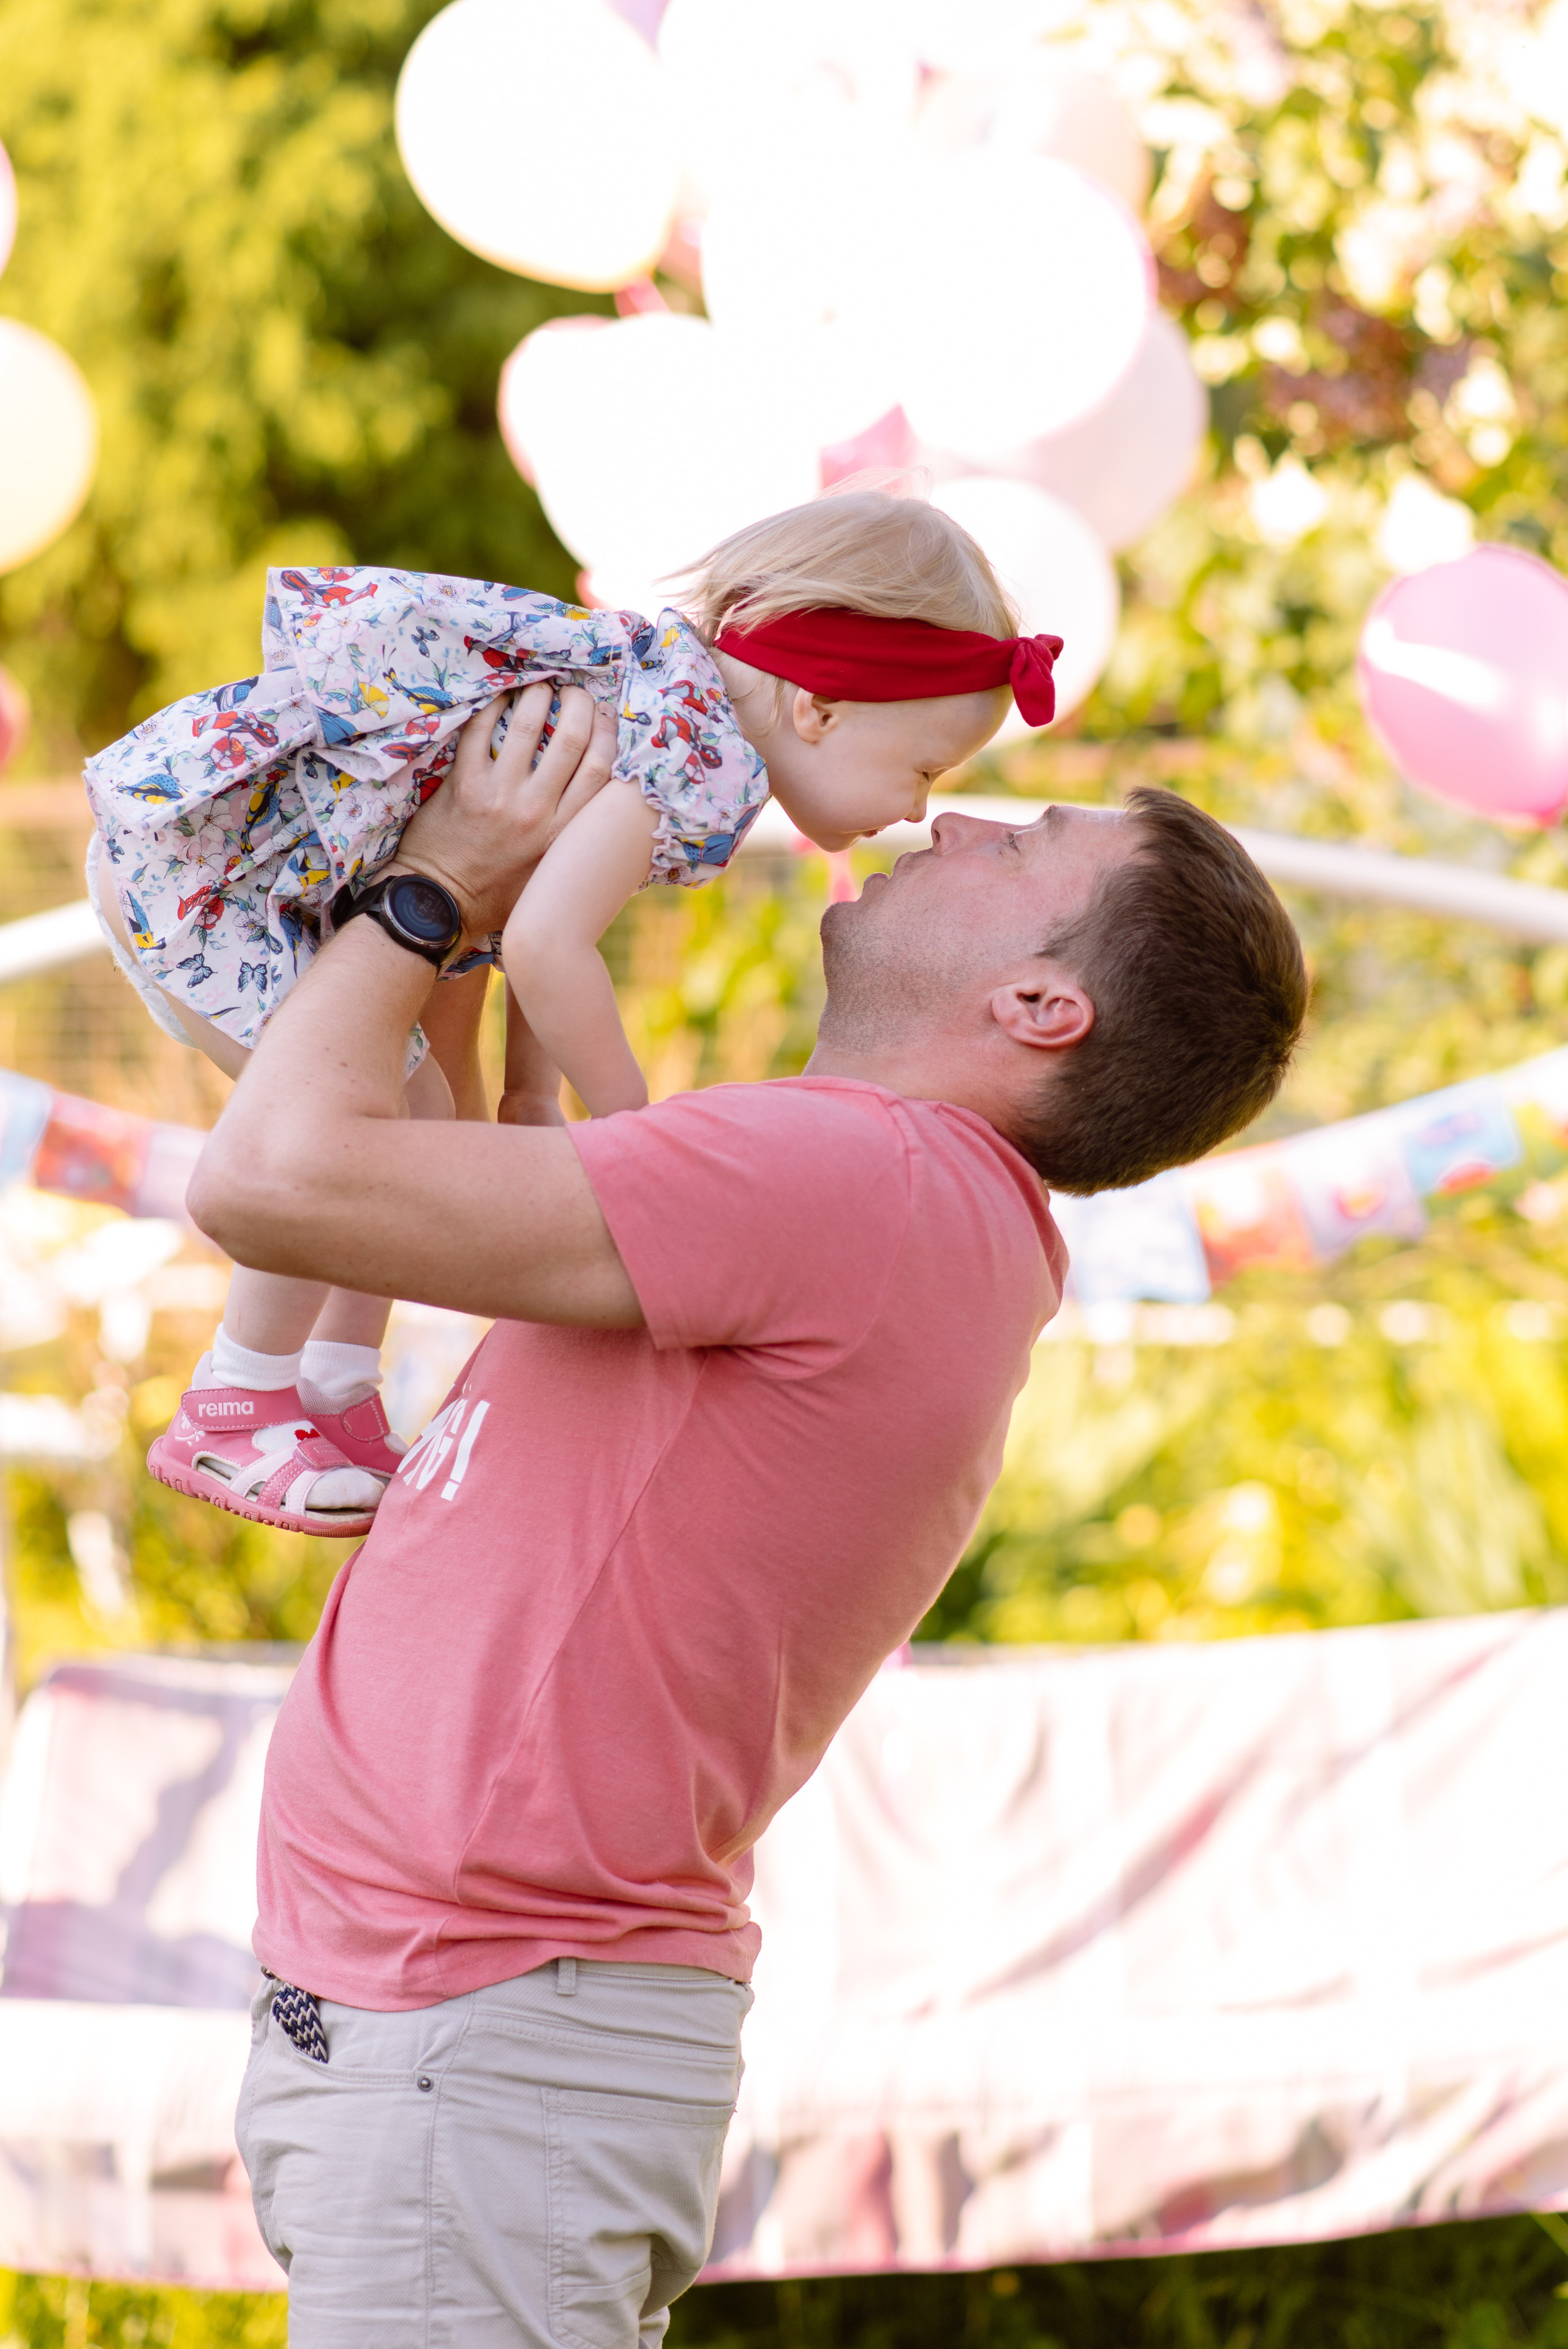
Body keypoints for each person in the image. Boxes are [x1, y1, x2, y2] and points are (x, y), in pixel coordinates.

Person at [189, 682, 1308, 2345]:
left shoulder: (862, 1178)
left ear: (1039, 1002)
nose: (966, 813)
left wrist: (429, 887)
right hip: (450, 2038)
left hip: (479, 2043)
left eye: (1033, 839)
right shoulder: (881, 1195)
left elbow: (264, 1177)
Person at [82, 492, 1060, 1538]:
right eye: (922, 769)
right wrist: (632, 1119)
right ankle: (235, 1400)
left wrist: (524, 1091)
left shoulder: (668, 705)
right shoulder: (697, 755)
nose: (917, 809)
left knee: (427, 1116)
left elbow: (541, 926)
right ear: (820, 710)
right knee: (377, 1119)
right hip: (214, 878)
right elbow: (549, 943)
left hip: (241, 868)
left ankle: (329, 1385)